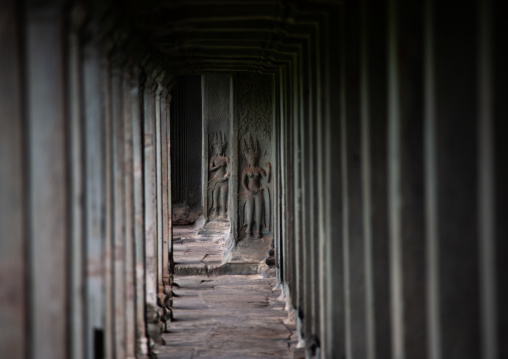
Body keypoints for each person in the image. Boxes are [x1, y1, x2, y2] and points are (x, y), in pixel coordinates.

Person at [241, 135, 271, 238]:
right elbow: (243, 182)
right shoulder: (246, 170)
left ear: (256, 159)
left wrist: (269, 169)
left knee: (259, 211)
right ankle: (249, 230)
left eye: (254, 159)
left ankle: (258, 230)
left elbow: (266, 180)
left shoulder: (259, 170)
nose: (252, 160)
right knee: (250, 210)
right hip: (249, 193)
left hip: (259, 192)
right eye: (250, 159)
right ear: (248, 159)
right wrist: (247, 190)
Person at [208, 132, 229, 220]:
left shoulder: (226, 158)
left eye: (221, 149)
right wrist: (218, 166)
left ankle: (223, 212)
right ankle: (215, 211)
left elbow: (230, 168)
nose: (220, 150)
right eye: (218, 149)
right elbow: (210, 169)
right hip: (216, 180)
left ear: (223, 149)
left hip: (223, 180)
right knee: (215, 196)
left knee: (223, 197)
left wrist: (226, 176)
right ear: (216, 149)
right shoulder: (214, 158)